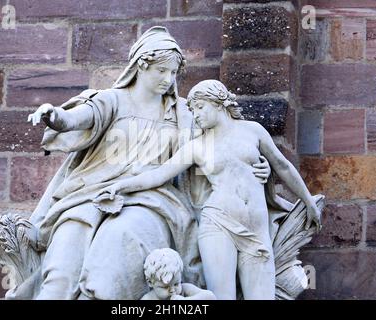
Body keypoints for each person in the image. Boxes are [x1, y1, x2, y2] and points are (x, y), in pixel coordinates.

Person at [24, 27, 271, 300]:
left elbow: (223, 148)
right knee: (61, 268)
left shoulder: (184, 113)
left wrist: (257, 167)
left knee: (118, 246)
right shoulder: (112, 100)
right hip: (88, 196)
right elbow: (76, 119)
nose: (169, 79)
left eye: (173, 73)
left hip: (151, 202)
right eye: (162, 71)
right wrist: (53, 115)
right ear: (141, 65)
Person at [97, 80, 321, 300]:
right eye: (193, 111)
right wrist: (119, 186)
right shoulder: (198, 146)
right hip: (218, 225)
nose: (196, 116)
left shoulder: (253, 131)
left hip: (256, 228)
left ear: (218, 102)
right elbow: (158, 175)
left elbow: (282, 166)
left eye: (200, 108)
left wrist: (308, 201)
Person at [141, 248, 216, 300]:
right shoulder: (149, 298)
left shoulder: (185, 289)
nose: (173, 290)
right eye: (165, 287)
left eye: (176, 284)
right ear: (150, 282)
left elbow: (211, 297)